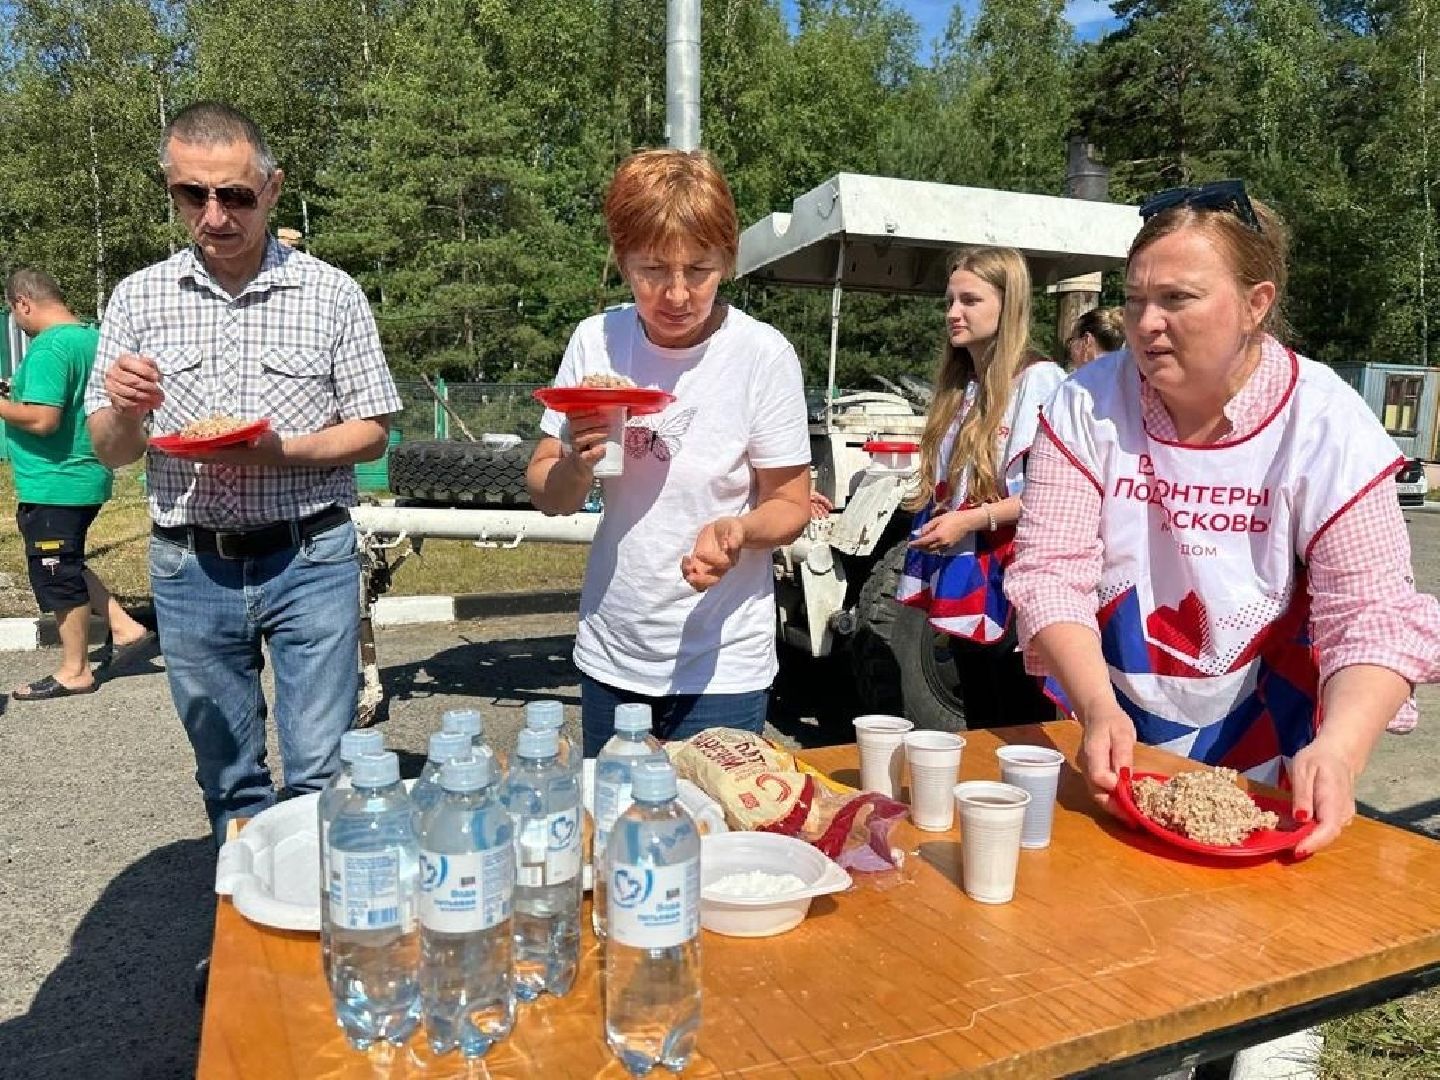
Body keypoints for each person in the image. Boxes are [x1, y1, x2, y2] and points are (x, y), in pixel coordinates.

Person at [1006, 180, 1440, 859]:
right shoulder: (1084, 403)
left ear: (1255, 306)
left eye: (1177, 299)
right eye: (1137, 297)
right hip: (1113, 729)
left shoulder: (1324, 419)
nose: (1146, 323)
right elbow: (1050, 573)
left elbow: (1374, 616)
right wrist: (1095, 706)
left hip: (1271, 752)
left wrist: (1342, 751)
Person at [85, 102, 402, 844]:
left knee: (322, 773)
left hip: (310, 554)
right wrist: (126, 412)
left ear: (273, 187)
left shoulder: (331, 293)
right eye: (193, 195)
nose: (214, 214)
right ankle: (245, 934)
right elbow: (110, 449)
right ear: (172, 191)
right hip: (190, 562)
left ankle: (316, 939)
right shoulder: (138, 297)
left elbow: (374, 430)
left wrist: (279, 452)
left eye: (235, 194)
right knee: (228, 776)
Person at [526, 148, 811, 757]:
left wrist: (737, 530)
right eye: (653, 270)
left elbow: (790, 503)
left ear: (727, 262)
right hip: (615, 651)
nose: (677, 293)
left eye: (699, 269)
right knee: (621, 832)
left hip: (722, 661)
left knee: (714, 839)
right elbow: (546, 491)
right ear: (622, 258)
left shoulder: (762, 355)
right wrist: (578, 462)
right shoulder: (597, 339)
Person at [896, 247, 1065, 729]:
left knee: (1017, 720)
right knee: (980, 714)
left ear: (1007, 305)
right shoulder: (964, 386)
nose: (953, 313)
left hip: (1011, 578)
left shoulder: (1041, 382)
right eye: (950, 300)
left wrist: (971, 519)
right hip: (967, 568)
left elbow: (1056, 496)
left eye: (970, 300)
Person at [2, 269, 153, 700]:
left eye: (16, 314)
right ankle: (125, 629)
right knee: (68, 561)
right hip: (84, 473)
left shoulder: (50, 347)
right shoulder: (90, 338)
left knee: (56, 572)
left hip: (55, 480)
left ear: (22, 303)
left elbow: (43, 419)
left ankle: (76, 670)